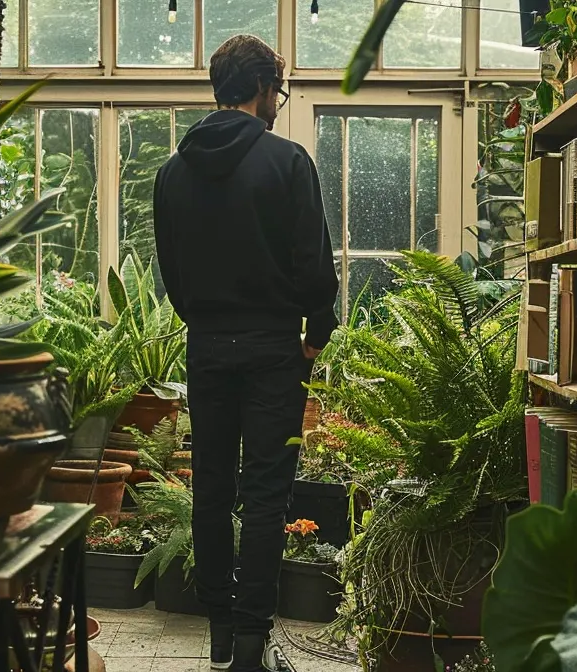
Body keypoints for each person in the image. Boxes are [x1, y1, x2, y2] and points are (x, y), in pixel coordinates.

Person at [151, 34, 339, 672]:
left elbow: (170, 272)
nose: (278, 104)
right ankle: (253, 646)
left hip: (206, 348)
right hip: (272, 352)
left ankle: (221, 637)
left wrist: (205, 324)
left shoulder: (172, 173)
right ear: (262, 88)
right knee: (264, 497)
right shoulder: (287, 163)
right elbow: (314, 266)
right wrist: (316, 334)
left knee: (210, 490)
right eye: (279, 92)